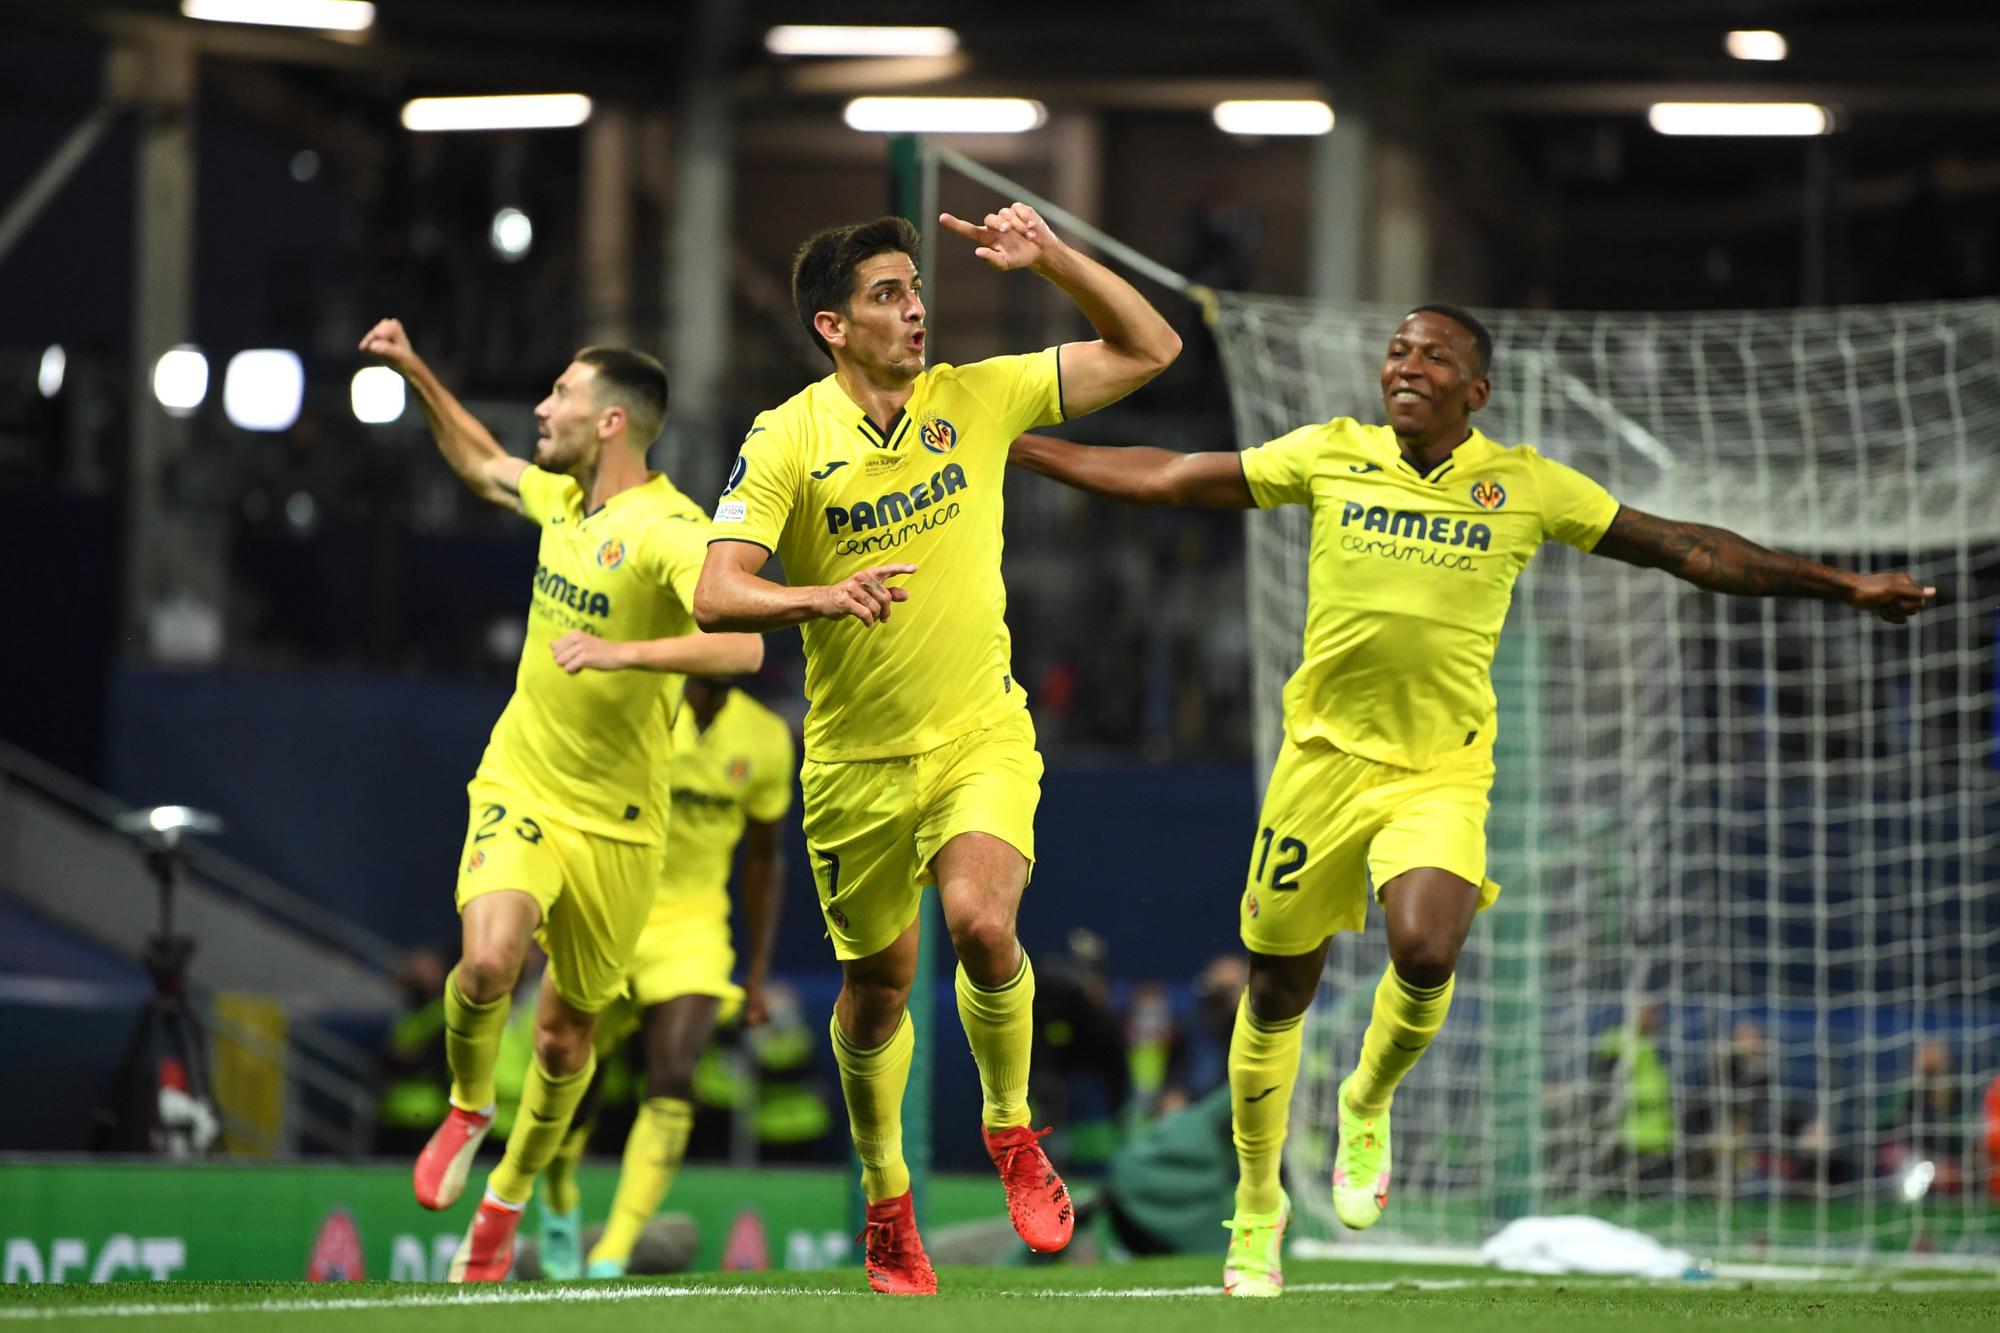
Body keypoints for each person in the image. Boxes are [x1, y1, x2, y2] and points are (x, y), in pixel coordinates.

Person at [1006, 302, 1935, 1298]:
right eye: (1396, 350)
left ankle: (1366, 1100)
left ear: (1473, 391)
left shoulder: (1522, 483)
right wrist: (1021, 448)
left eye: (1431, 355)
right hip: (1318, 764)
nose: (1404, 365)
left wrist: (1839, 585)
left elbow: (1682, 547)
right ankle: (1258, 1208)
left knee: (1425, 946)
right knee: (1275, 993)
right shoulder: (1329, 452)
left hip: (1436, 769)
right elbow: (1169, 477)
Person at [694, 205, 1181, 1294]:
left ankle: (1012, 1131)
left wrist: (1052, 257)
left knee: (979, 920)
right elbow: (714, 587)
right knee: (874, 990)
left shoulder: (979, 394)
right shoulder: (786, 438)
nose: (913, 309)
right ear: (831, 324)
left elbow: (1153, 348)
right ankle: (884, 1197)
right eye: (884, 295)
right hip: (852, 768)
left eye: (916, 290)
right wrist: (820, 592)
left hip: (978, 734)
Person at [358, 319, 763, 1282]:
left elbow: (742, 646)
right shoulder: (563, 502)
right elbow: (482, 463)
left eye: (561, 394)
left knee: (565, 1033)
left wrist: (628, 652)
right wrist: (419, 368)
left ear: (611, 420)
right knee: (490, 961)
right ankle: (466, 1105)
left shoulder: (672, 530)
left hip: (622, 825)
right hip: (524, 783)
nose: (543, 408)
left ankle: (504, 1203)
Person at [528, 668, 795, 1280]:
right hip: (614, 912)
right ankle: (561, 1197)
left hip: (693, 929)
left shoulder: (764, 738)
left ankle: (614, 1252)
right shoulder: (641, 703)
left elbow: (762, 858)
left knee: (674, 1073)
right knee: (575, 1072)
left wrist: (756, 972)